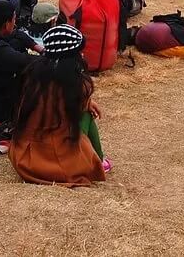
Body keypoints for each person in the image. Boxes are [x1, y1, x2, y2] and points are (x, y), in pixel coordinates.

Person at [9, 24, 109, 186]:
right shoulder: (78, 84)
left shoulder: (31, 75)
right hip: (60, 166)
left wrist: (88, 101)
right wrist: (86, 102)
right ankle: (100, 159)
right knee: (86, 114)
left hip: (24, 160)